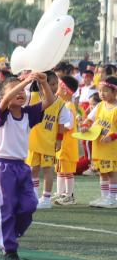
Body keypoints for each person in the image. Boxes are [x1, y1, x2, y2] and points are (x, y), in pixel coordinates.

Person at [0, 73, 51, 260]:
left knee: (30, 204)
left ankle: (9, 234)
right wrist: (25, 81)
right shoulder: (1, 112)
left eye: (23, 90)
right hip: (2, 166)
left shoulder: (27, 114)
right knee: (6, 208)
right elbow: (6, 100)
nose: (21, 92)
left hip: (21, 166)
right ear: (3, 96)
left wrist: (43, 82)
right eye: (15, 89)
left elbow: (49, 101)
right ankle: (9, 250)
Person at [25, 71, 70, 209]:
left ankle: (46, 198)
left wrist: (59, 140)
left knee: (47, 169)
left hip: (48, 143)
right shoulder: (32, 96)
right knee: (33, 169)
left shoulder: (60, 103)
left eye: (56, 84)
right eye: (51, 84)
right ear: (41, 84)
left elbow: (61, 124)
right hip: (32, 141)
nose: (54, 87)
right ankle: (33, 196)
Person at [84, 76, 117, 207]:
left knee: (112, 172)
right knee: (102, 172)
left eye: (105, 91)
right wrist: (85, 126)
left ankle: (113, 198)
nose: (101, 93)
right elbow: (89, 119)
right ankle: (104, 197)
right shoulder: (99, 105)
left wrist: (112, 137)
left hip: (111, 148)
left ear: (115, 92)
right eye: (100, 90)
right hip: (99, 146)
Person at [54, 75, 81, 205]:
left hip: (67, 146)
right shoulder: (65, 105)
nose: (56, 89)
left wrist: (56, 128)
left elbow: (69, 125)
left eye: (59, 87)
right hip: (63, 146)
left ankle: (69, 196)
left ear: (65, 91)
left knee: (67, 172)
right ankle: (60, 193)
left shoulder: (68, 106)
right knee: (60, 170)